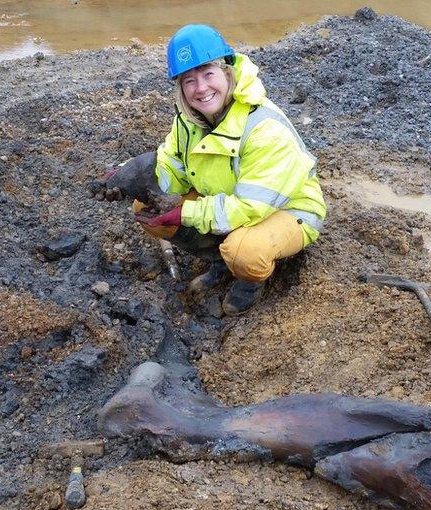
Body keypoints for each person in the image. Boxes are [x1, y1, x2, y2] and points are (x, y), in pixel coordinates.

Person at [124, 24, 327, 316]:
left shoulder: (264, 128)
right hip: (228, 202)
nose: (201, 88)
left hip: (288, 209)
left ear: (227, 72)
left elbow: (248, 207)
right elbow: (172, 169)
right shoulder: (189, 121)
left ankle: (249, 281)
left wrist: (184, 213)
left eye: (208, 74)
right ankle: (220, 261)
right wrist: (135, 177)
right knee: (147, 207)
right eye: (189, 80)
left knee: (245, 250)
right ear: (180, 87)